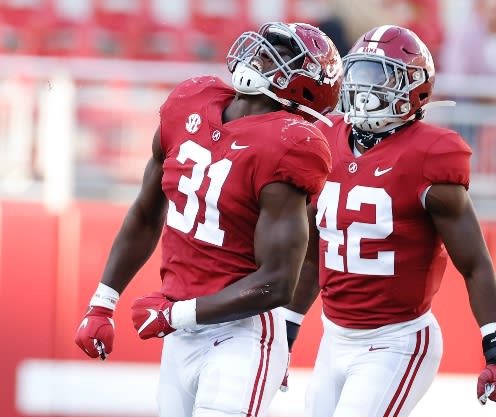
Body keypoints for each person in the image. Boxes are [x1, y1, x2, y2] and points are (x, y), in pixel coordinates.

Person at [74, 22, 343, 417]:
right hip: (181, 333)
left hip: (241, 335)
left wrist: (175, 314)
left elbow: (278, 282)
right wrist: (102, 303)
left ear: (305, 87)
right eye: (266, 48)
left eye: (280, 56)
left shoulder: (290, 144)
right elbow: (147, 214)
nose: (262, 55)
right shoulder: (190, 101)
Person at [281, 25, 496, 417]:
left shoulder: (429, 154)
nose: (361, 88)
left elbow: (475, 264)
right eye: (358, 73)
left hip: (397, 342)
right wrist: (284, 334)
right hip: (334, 338)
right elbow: (313, 255)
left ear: (414, 88)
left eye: (377, 75)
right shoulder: (327, 139)